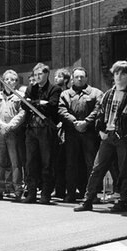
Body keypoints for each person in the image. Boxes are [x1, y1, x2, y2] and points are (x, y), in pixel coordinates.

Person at [75, 61, 127, 212]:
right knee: (97, 168)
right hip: (108, 135)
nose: (118, 77)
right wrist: (100, 130)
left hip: (125, 138)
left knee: (125, 170)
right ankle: (88, 200)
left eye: (123, 74)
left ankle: (124, 201)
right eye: (116, 73)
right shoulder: (108, 94)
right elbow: (99, 113)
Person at [58, 67, 103, 203]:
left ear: (87, 78)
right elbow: (61, 110)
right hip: (71, 134)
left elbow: (98, 109)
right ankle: (71, 193)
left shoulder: (96, 93)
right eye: (76, 76)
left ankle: (92, 194)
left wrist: (86, 122)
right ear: (72, 78)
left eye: (82, 76)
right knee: (71, 164)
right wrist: (74, 122)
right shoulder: (65, 94)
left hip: (89, 134)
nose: (79, 79)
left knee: (91, 164)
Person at [22, 63, 63, 204]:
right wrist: (39, 102)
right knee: (30, 163)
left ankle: (46, 194)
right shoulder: (30, 88)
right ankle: (31, 193)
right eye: (35, 74)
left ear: (47, 74)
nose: (37, 77)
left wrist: (32, 103)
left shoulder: (55, 89)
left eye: (40, 74)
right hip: (31, 129)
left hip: (46, 130)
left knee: (47, 162)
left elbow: (51, 107)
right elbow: (23, 105)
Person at [0, 70, 26, 201]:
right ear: (3, 81)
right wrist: (0, 125)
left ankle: (17, 189)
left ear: (16, 82)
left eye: (13, 79)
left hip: (13, 132)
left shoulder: (20, 96)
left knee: (15, 162)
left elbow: (22, 113)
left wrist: (10, 125)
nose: (10, 81)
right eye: (7, 79)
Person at [53, 68, 71, 199]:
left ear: (65, 79)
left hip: (67, 129)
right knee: (57, 162)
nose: (56, 78)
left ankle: (67, 189)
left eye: (59, 76)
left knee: (66, 162)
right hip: (57, 130)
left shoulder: (66, 93)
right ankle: (58, 189)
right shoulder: (55, 91)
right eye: (55, 76)